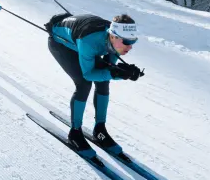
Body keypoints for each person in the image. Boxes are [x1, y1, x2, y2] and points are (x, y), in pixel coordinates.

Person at [45, 13, 143, 156]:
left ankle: (100, 129)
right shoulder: (89, 42)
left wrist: (123, 71)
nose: (130, 47)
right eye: (127, 42)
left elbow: (109, 68)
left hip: (83, 41)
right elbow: (88, 74)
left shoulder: (115, 40)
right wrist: (115, 73)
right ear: (113, 36)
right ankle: (75, 133)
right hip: (62, 45)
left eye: (133, 41)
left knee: (103, 81)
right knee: (84, 84)